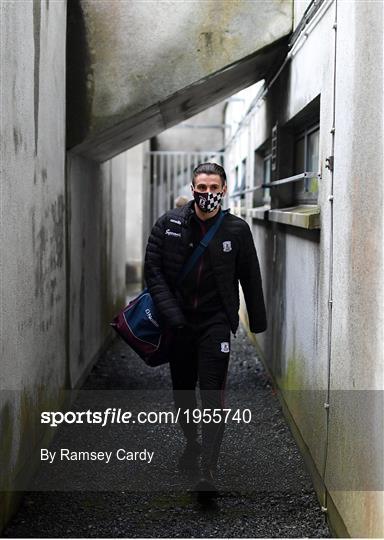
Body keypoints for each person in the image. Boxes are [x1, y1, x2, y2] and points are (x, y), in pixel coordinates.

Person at [144, 162, 267, 493]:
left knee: (212, 394)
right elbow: (153, 273)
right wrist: (174, 317)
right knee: (183, 392)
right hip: (179, 324)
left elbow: (250, 277)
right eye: (202, 188)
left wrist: (257, 321)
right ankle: (191, 442)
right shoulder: (168, 225)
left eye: (215, 188)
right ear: (192, 187)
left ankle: (208, 469)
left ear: (224, 189)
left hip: (215, 324)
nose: (208, 194)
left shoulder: (237, 230)